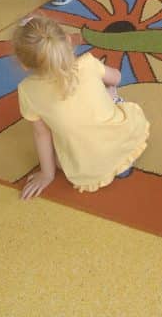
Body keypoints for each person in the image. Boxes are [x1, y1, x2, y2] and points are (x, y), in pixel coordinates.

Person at [12, 15, 149, 199]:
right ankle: (121, 159)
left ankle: (105, 164)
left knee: (59, 154)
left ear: (23, 64)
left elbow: (41, 134)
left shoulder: (27, 91)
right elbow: (116, 78)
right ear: (68, 40)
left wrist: (47, 174)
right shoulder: (88, 63)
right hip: (127, 140)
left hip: (89, 169)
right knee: (109, 90)